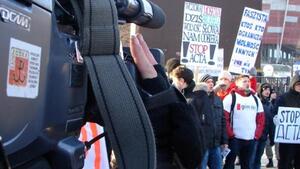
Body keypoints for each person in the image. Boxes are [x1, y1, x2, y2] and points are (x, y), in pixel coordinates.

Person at [129, 34, 204, 169]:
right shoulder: (176, 98)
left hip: (158, 156)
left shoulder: (177, 101)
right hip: (157, 155)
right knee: (155, 74)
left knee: (155, 75)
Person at [223, 74, 265, 169]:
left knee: (247, 165)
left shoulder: (255, 99)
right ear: (237, 83)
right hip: (235, 139)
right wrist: (231, 135)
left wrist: (256, 135)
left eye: (248, 81)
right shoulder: (231, 98)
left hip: (250, 139)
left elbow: (261, 119)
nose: (247, 83)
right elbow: (224, 118)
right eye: (244, 81)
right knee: (229, 164)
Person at [198, 74, 228, 169]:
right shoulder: (197, 100)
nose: (211, 84)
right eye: (208, 82)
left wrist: (224, 140)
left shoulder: (218, 100)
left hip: (216, 144)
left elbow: (223, 121)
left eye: (212, 82)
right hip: (203, 144)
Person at [273, 72, 300, 169]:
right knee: (285, 162)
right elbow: (275, 112)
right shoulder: (284, 97)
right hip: (287, 139)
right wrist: (276, 118)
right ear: (293, 84)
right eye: (298, 84)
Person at [251, 83, 274, 169]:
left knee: (257, 160)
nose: (267, 92)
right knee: (251, 160)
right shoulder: (255, 101)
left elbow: (271, 122)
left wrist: (272, 137)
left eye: (269, 90)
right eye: (265, 89)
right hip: (254, 136)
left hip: (264, 136)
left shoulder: (269, 104)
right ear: (261, 90)